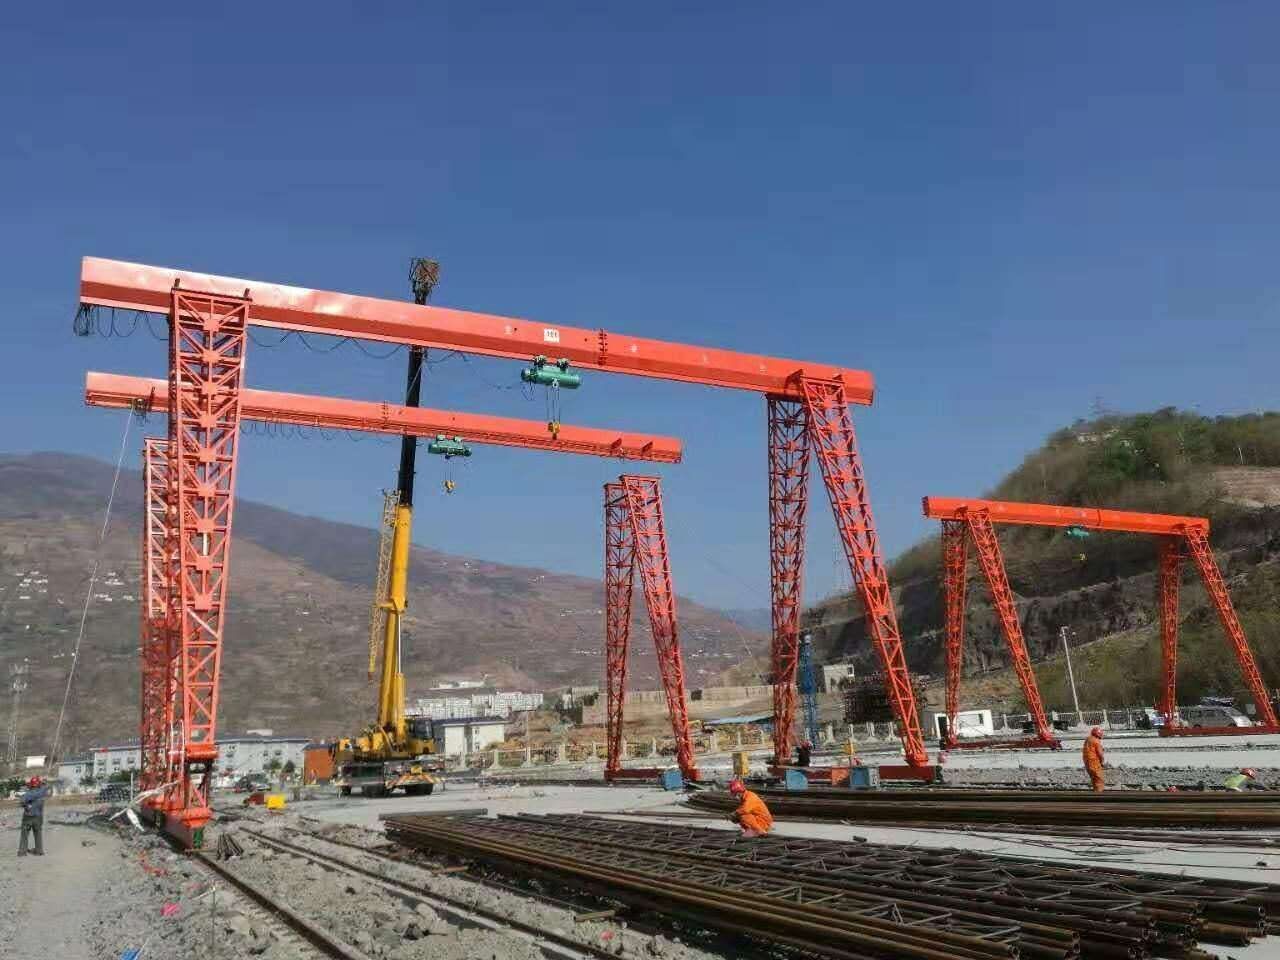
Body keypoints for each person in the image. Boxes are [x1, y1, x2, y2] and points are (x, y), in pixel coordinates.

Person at [18, 775, 50, 856]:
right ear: (38, 784)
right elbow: (47, 786)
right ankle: (39, 851)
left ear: (31, 785)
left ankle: (22, 852)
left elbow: (21, 802)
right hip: (38, 817)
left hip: (28, 817)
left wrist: (26, 806)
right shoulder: (42, 791)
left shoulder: (28, 794)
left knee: (25, 835)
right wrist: (43, 782)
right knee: (38, 834)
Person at [1082, 727, 1105, 792]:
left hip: (1087, 761)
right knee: (1099, 778)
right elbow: (1100, 753)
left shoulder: (1088, 739)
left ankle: (1095, 792)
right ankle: (1099, 794)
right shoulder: (1096, 741)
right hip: (1094, 761)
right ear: (1098, 734)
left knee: (1093, 778)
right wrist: (1102, 761)